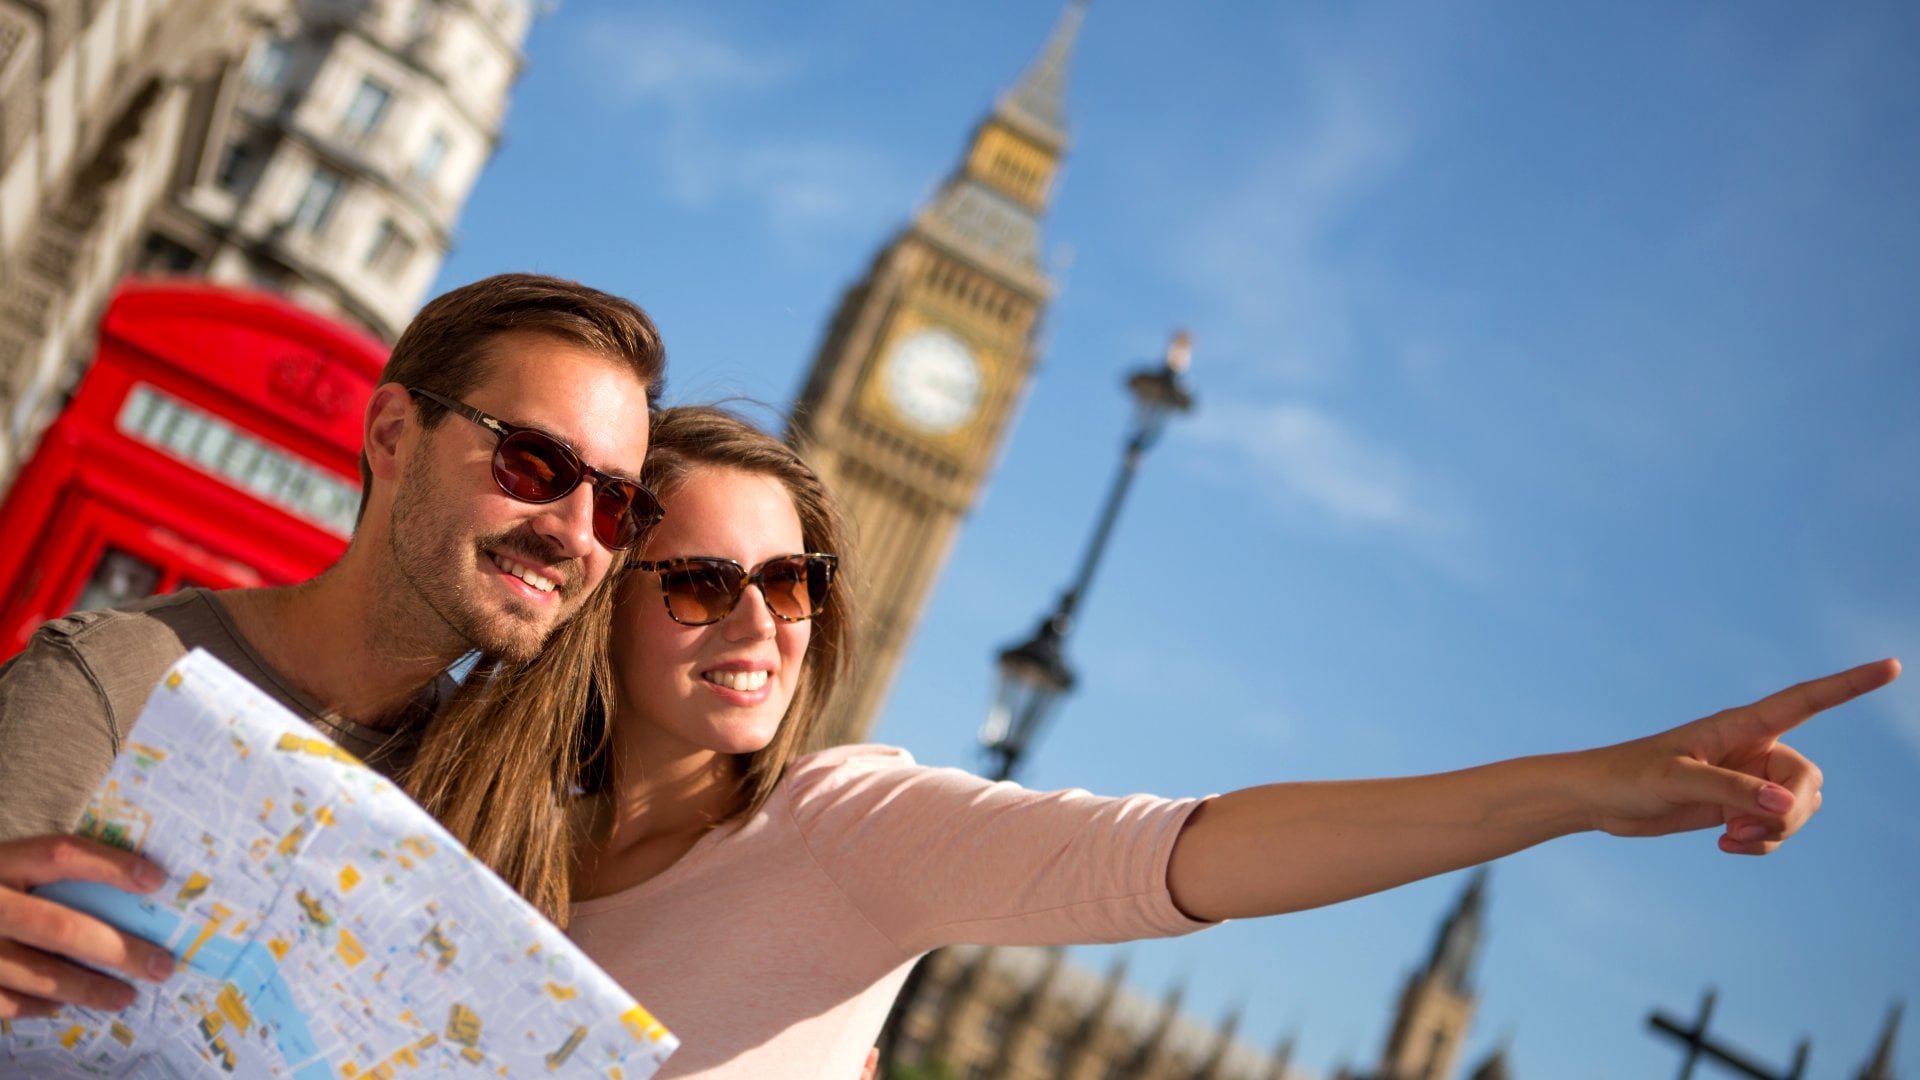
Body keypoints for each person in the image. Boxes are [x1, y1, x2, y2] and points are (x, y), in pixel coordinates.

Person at [475, 404, 1897, 1079]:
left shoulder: (847, 832)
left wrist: (1591, 786)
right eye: (704, 581)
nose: (762, 623)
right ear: (605, 595)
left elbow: (1192, 854)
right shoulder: (483, 817)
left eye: (792, 582)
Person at [0, 272, 668, 1020]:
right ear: (391, 436)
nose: (576, 532)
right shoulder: (114, 680)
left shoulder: (499, 811)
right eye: (535, 463)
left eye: (616, 504)